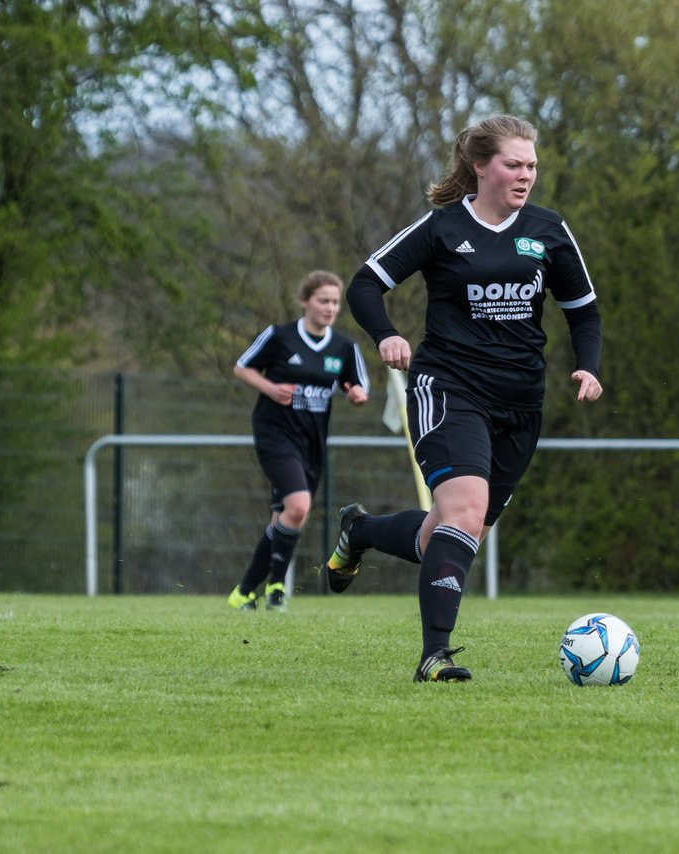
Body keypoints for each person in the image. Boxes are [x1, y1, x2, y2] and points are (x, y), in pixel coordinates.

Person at [322, 115, 604, 683]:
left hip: (520, 403)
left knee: (450, 534)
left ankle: (362, 531)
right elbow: (364, 283)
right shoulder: (443, 228)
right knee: (465, 511)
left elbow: (584, 310)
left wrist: (588, 368)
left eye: (532, 166)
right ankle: (434, 655)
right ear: (481, 166)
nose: (525, 175)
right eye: (513, 164)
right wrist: (386, 334)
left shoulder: (549, 230)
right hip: (448, 389)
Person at [227, 270, 370, 611]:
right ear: (305, 301)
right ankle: (273, 586)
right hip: (275, 435)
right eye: (323, 300)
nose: (330, 308)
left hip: (312, 443)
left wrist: (356, 395)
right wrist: (270, 388)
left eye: (335, 302)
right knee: (298, 506)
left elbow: (359, 385)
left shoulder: (344, 347)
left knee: (288, 517)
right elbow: (242, 366)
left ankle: (248, 590)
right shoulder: (280, 336)